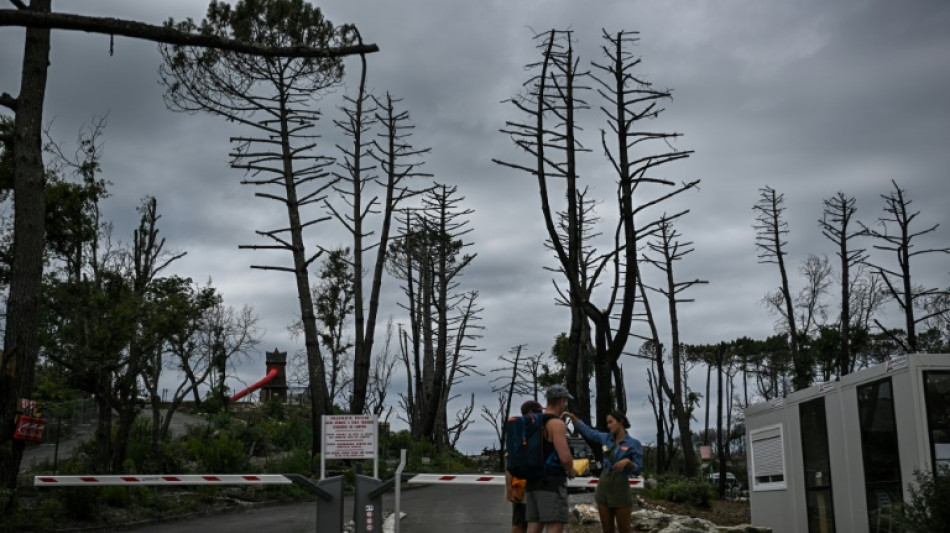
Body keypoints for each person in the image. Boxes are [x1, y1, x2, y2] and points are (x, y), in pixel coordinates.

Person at [562, 409, 642, 533]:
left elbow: (638, 469)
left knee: (624, 529)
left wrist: (628, 462)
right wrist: (573, 418)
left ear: (621, 421)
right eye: (607, 423)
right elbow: (588, 432)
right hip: (603, 487)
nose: (609, 425)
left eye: (611, 422)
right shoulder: (606, 438)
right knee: (607, 529)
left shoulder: (633, 444)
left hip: (620, 489)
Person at [525, 385, 578, 533]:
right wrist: (571, 470)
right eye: (565, 401)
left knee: (533, 525)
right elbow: (565, 458)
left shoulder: (533, 422)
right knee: (555, 524)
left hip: (532, 482)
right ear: (562, 401)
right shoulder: (556, 424)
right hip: (551, 483)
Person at [507, 399, 543, 533]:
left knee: (522, 522)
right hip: (526, 486)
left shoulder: (518, 432)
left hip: (519, 485)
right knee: (523, 524)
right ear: (531, 412)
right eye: (539, 412)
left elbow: (510, 462)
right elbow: (510, 462)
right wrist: (509, 489)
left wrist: (509, 488)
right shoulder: (530, 434)